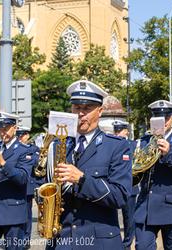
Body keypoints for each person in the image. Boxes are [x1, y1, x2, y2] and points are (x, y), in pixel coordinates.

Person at [46, 79, 132, 249]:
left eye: (87, 109)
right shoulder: (59, 145)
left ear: (99, 111)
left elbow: (120, 196)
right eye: (77, 108)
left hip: (98, 241)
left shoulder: (116, 146)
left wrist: (82, 179)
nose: (80, 114)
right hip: (63, 240)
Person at [134, 100, 172, 250]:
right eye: (157, 117)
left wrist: (170, 153)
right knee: (142, 246)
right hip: (147, 206)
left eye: (166, 118)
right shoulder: (143, 142)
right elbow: (136, 173)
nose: (163, 121)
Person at [0, 112, 35, 250]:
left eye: (6, 128)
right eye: (0, 129)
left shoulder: (25, 151)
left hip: (13, 211)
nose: (3, 132)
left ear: (14, 128)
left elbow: (23, 179)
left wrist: (3, 163)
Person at [112, 120, 138, 250]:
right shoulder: (110, 144)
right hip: (112, 186)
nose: (117, 133)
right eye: (116, 131)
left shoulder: (133, 145)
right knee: (111, 215)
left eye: (120, 130)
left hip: (130, 186)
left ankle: (127, 244)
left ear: (127, 131)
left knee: (129, 217)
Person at [16, 126, 42, 249]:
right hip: (14, 185)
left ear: (27, 136)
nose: (20, 138)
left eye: (22, 136)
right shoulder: (13, 148)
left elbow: (37, 163)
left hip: (27, 186)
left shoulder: (34, 149)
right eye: (18, 136)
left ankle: (25, 239)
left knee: (26, 214)